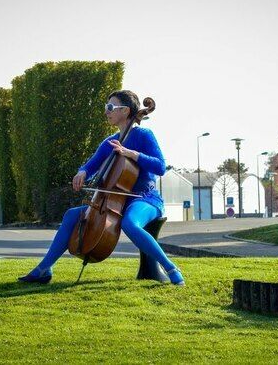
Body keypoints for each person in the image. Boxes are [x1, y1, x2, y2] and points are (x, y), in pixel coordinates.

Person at [18, 90, 185, 285]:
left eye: (110, 107)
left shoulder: (143, 135)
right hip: (114, 202)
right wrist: (82, 172)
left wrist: (132, 154)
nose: (106, 112)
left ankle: (170, 267)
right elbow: (91, 165)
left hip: (145, 199)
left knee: (130, 223)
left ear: (126, 110)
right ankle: (44, 269)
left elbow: (160, 167)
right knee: (72, 214)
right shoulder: (110, 142)